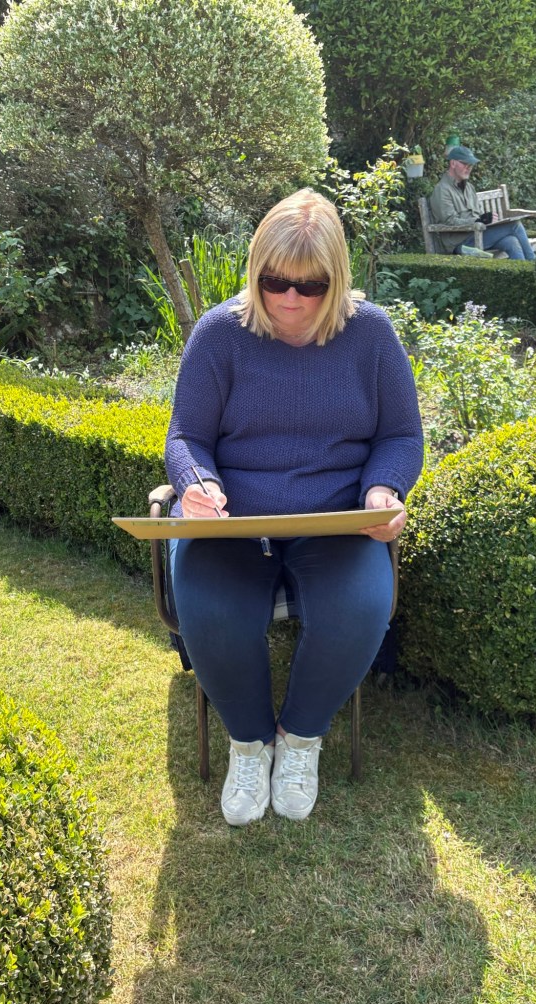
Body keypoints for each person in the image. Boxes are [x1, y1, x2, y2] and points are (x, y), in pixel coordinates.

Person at [164, 188, 424, 826]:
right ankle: (249, 745)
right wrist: (197, 483)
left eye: (310, 286)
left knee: (358, 606)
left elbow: (400, 435)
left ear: (337, 280)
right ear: (256, 271)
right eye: (274, 281)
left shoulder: (370, 334)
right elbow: (187, 436)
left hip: (335, 521)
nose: (289, 299)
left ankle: (300, 739)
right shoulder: (220, 334)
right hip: (233, 522)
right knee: (211, 608)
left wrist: (383, 489)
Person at [429, 144, 536, 260]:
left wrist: (487, 219)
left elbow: (478, 216)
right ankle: (533, 263)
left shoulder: (469, 188)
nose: (468, 168)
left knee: (511, 241)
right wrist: (478, 221)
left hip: (478, 235)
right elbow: (449, 222)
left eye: (471, 165)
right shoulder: (442, 190)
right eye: (465, 164)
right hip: (460, 245)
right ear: (453, 163)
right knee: (514, 225)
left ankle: (523, 271)